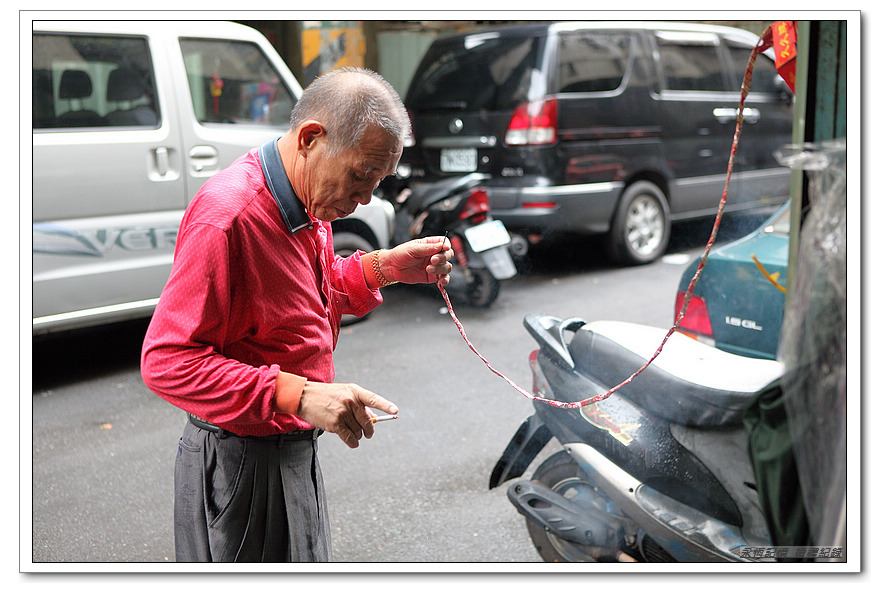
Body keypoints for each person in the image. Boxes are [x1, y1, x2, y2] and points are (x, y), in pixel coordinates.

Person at [140, 67, 453, 562]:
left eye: (378, 181)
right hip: (240, 461)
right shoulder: (230, 217)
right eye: (360, 175)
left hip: (290, 449)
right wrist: (300, 395)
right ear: (311, 138)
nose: (366, 198)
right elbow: (167, 362)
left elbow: (308, 297)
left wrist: (381, 268)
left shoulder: (305, 200)